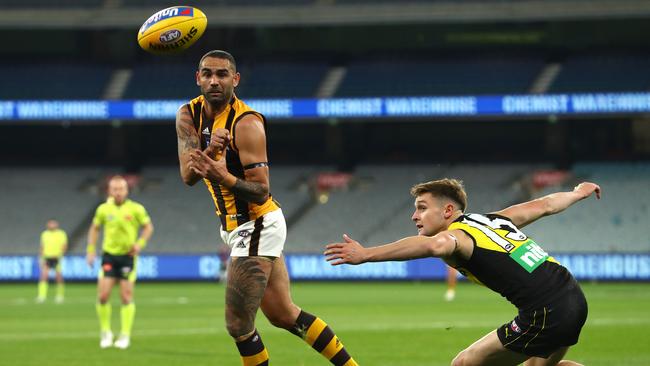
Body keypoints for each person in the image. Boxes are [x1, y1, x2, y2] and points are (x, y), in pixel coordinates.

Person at [176, 50, 358, 366]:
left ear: (236, 79)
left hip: (257, 224)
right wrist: (211, 151)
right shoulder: (188, 115)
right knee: (284, 314)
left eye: (222, 74)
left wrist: (225, 176)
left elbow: (261, 192)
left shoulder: (246, 123)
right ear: (197, 78)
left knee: (237, 324)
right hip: (234, 227)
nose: (214, 80)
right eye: (207, 74)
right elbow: (188, 176)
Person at [325, 178, 601, 366]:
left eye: (422, 208)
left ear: (448, 210)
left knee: (463, 363)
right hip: (573, 296)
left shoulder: (456, 236)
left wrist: (366, 254)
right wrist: (577, 193)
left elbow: (435, 246)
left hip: (546, 311)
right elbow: (545, 205)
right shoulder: (494, 219)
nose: (414, 216)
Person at [86, 175, 154, 349]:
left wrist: (140, 244)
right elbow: (94, 228)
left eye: (121, 189)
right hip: (109, 255)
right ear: (109, 191)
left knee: (126, 296)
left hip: (127, 257)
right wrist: (91, 250)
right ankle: (106, 332)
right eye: (114, 189)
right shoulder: (103, 209)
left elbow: (148, 227)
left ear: (126, 190)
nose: (118, 192)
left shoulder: (136, 209)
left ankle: (125, 335)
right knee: (102, 296)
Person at [36, 219, 68, 304]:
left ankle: (60, 296)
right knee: (43, 276)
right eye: (50, 223)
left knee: (58, 277)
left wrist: (61, 254)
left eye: (53, 223)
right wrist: (41, 257)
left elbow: (64, 245)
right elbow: (42, 246)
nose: (52, 225)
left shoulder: (61, 233)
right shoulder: (44, 234)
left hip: (57, 257)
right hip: (47, 257)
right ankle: (42, 296)